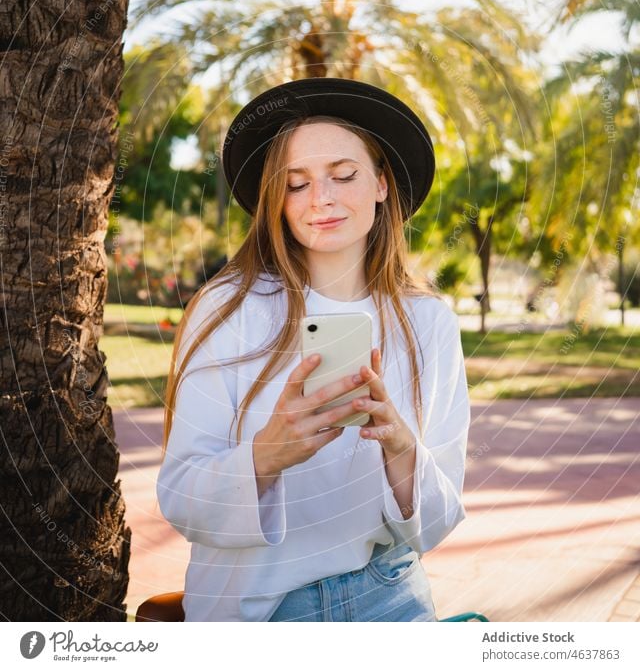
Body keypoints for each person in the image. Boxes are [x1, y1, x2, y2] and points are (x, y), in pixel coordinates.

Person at [157, 78, 471, 622]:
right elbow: (182, 500)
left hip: (390, 596)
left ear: (381, 182)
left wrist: (400, 448)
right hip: (259, 611)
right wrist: (266, 455)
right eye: (296, 184)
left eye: (343, 175)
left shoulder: (429, 322)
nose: (321, 198)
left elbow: (437, 524)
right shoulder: (227, 310)